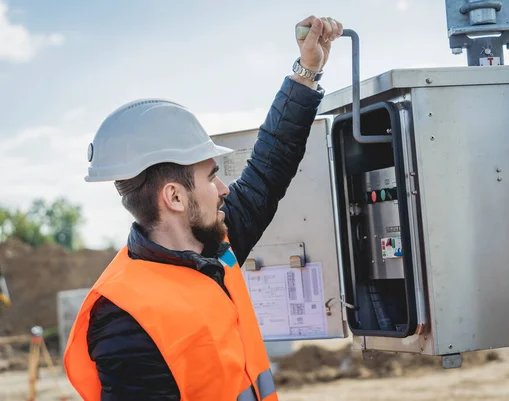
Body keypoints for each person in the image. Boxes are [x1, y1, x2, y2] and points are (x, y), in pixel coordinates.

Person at [63, 15, 343, 401]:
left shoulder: (214, 248)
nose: (224, 188)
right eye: (211, 177)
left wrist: (307, 70)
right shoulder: (123, 319)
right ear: (175, 198)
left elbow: (269, 168)